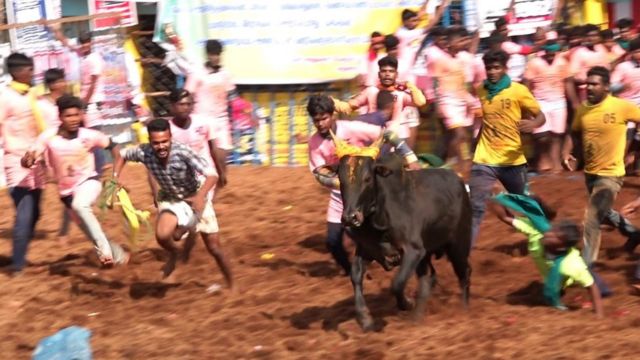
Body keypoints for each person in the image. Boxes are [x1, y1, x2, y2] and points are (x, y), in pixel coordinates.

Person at [112, 118, 234, 289]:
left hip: (195, 197)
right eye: (156, 143)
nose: (161, 147)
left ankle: (232, 285)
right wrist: (115, 179)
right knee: (162, 235)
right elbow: (122, 155)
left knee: (214, 248)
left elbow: (212, 175)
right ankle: (176, 253)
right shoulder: (143, 152)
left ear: (170, 137)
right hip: (172, 199)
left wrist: (200, 197)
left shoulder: (183, 152)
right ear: (149, 141)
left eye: (164, 142)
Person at [306, 95, 420, 275]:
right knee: (332, 241)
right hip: (341, 195)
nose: (320, 124)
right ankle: (351, 271)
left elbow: (386, 135)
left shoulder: (352, 128)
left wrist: (409, 155)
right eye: (316, 120)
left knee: (381, 227)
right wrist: (344, 184)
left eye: (324, 118)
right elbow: (319, 172)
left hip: (367, 192)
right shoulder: (314, 143)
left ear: (332, 115)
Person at [21, 95, 128, 266]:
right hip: (66, 193)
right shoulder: (48, 136)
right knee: (89, 230)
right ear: (60, 117)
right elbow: (29, 158)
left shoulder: (89, 135)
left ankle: (105, 252)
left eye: (77, 115)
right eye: (69, 116)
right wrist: (28, 160)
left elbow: (115, 149)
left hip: (89, 181)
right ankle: (120, 256)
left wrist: (116, 177)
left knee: (80, 205)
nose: (74, 120)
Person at [563, 66, 640, 276]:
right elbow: (574, 133)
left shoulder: (621, 107)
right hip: (590, 173)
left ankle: (586, 267)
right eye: (588, 84)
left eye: (594, 84)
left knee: (592, 217)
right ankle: (634, 234)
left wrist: (636, 146)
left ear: (606, 87)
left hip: (612, 174)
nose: (589, 87)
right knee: (604, 212)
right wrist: (568, 153)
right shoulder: (583, 109)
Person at [469, 50, 545, 247]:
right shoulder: (481, 91)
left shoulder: (518, 90)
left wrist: (533, 124)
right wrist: (476, 143)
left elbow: (540, 116)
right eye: (489, 68)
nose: (492, 72)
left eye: (496, 68)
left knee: (525, 204)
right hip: (484, 158)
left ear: (505, 68)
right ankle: (465, 251)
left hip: (512, 160)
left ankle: (549, 237)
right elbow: (488, 120)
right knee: (476, 207)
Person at [489, 194, 603, 316]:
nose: (549, 235)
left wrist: (599, 316)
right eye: (552, 230)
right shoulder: (537, 231)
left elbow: (591, 286)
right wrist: (493, 197)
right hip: (552, 277)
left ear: (561, 246)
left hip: (567, 282)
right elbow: (505, 216)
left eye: (555, 237)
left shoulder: (571, 265)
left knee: (597, 286)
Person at [0, 53, 49, 275]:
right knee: (25, 211)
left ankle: (18, 253)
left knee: (36, 212)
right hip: (16, 160)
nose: (32, 72)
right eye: (29, 69)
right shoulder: (5, 97)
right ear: (18, 72)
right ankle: (18, 264)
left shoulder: (33, 95)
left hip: (36, 159)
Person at [332, 56, 426, 147]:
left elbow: (420, 102)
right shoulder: (371, 91)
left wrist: (408, 84)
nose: (387, 74)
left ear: (396, 74)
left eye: (391, 71)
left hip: (397, 138)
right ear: (379, 74)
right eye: (384, 71)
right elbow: (349, 107)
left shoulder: (401, 94)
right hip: (373, 137)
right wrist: (331, 102)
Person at [50, 27, 108, 174]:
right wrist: (57, 32)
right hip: (87, 102)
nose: (84, 46)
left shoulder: (94, 59)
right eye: (82, 43)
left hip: (93, 102)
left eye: (86, 43)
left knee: (93, 135)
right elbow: (68, 44)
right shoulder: (83, 55)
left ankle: (100, 168)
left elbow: (94, 83)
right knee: (86, 134)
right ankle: (97, 167)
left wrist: (85, 103)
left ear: (91, 42)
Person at [523, 39, 579, 173]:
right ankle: (543, 160)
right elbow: (527, 83)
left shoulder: (562, 62)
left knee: (557, 135)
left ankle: (555, 162)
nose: (550, 56)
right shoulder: (535, 63)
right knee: (542, 136)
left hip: (558, 101)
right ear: (545, 51)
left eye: (552, 53)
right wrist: (526, 103)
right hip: (540, 102)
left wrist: (574, 101)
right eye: (548, 53)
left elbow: (568, 83)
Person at [427, 27, 477, 174]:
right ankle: (463, 169)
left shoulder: (463, 58)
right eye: (460, 40)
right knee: (459, 134)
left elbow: (463, 83)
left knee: (454, 137)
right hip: (447, 101)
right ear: (449, 43)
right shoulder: (440, 60)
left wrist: (470, 101)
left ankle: (448, 165)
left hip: (461, 99)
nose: (463, 42)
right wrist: (438, 105)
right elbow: (434, 83)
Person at [185, 39, 236, 172]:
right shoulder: (197, 73)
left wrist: (245, 111)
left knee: (222, 159)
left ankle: (215, 190)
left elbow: (232, 97)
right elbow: (187, 95)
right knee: (202, 161)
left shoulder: (225, 74)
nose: (216, 57)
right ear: (207, 55)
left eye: (218, 54)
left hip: (221, 120)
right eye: (213, 54)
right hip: (202, 121)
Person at [167, 89, 227, 188]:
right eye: (181, 104)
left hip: (204, 173)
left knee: (201, 201)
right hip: (181, 176)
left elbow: (213, 149)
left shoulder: (203, 122)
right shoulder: (167, 130)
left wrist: (220, 172)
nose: (186, 108)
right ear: (172, 106)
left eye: (188, 104)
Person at [611, 37, 640, 155]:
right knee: (629, 130)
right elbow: (611, 86)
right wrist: (622, 87)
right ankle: (620, 160)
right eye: (638, 51)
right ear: (631, 53)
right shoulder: (623, 67)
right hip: (625, 105)